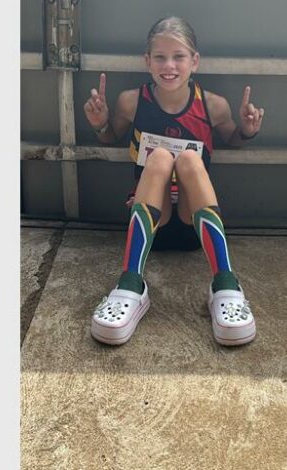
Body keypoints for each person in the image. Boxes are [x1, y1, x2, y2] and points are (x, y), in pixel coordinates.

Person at [83, 16, 265, 347]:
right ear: (147, 61)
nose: (169, 66)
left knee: (190, 160)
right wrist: (100, 124)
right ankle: (130, 285)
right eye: (160, 57)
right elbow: (111, 136)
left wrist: (247, 131)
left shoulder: (213, 105)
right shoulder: (131, 101)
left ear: (194, 61)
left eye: (178, 56)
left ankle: (225, 285)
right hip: (149, 227)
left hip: (195, 228)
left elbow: (232, 139)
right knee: (160, 158)